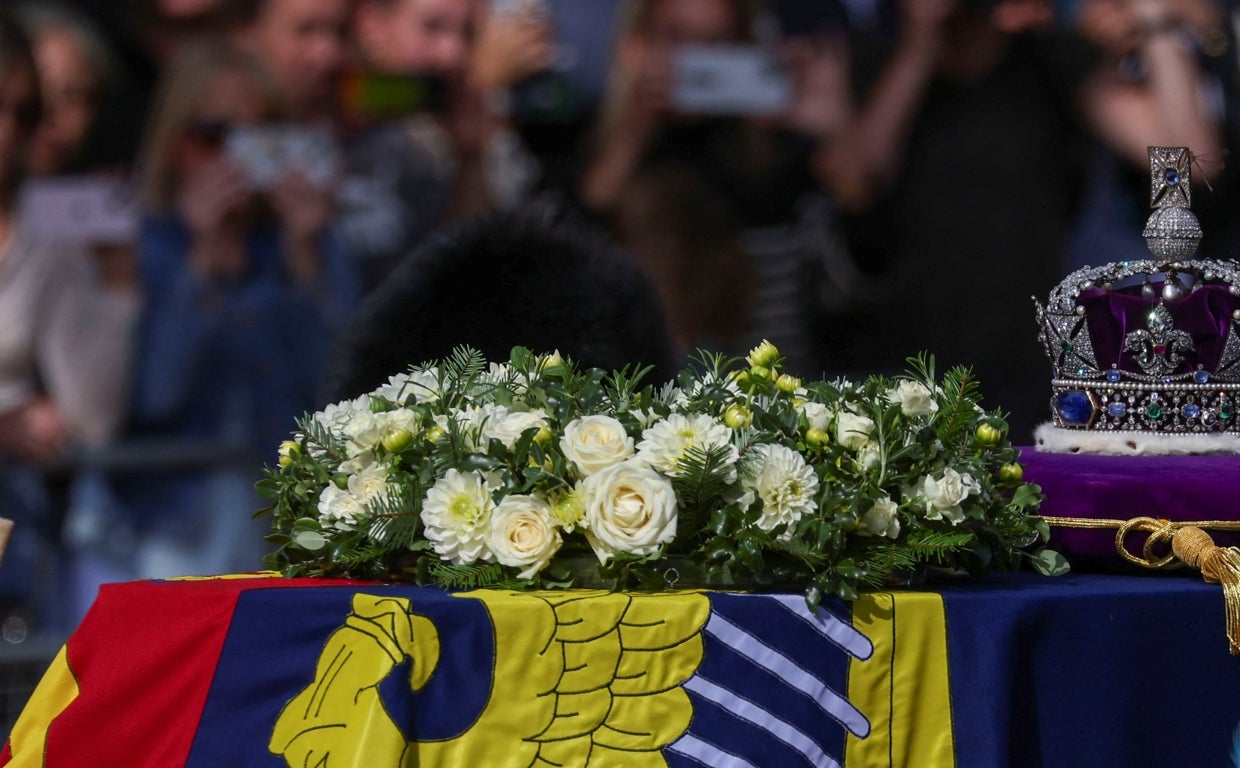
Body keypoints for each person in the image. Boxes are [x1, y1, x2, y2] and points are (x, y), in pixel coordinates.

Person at [65, 39, 360, 615]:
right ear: (172, 142)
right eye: (214, 137)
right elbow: (150, 396)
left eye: (262, 139)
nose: (237, 162)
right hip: (156, 528)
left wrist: (306, 264)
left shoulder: (311, 245)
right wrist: (197, 266)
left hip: (279, 528)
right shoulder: (139, 245)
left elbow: (343, 398)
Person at [822, 0, 1090, 440]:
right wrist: (918, 47)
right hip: (903, 352)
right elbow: (853, 181)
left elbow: (1187, 157)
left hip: (1029, 350)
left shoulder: (1048, 59)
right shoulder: (878, 57)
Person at [577, 0, 856, 376]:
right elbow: (566, 274)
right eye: (677, 38)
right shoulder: (590, 156)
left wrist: (839, 139)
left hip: (769, 415)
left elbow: (855, 285)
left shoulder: (780, 176)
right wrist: (631, 136)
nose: (695, 59)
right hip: (632, 419)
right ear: (635, 46)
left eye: (716, 42)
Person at [0, 12, 140, 631]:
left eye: (21, 112)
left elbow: (93, 419)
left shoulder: (49, 232)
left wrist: (117, 284)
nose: (9, 132)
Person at [340, 0, 550, 291]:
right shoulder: (339, 91)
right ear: (371, 25)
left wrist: (471, 152)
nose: (453, 54)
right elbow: (353, 95)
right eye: (431, 27)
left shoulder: (465, 112)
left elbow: (478, 261)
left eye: (468, 34)